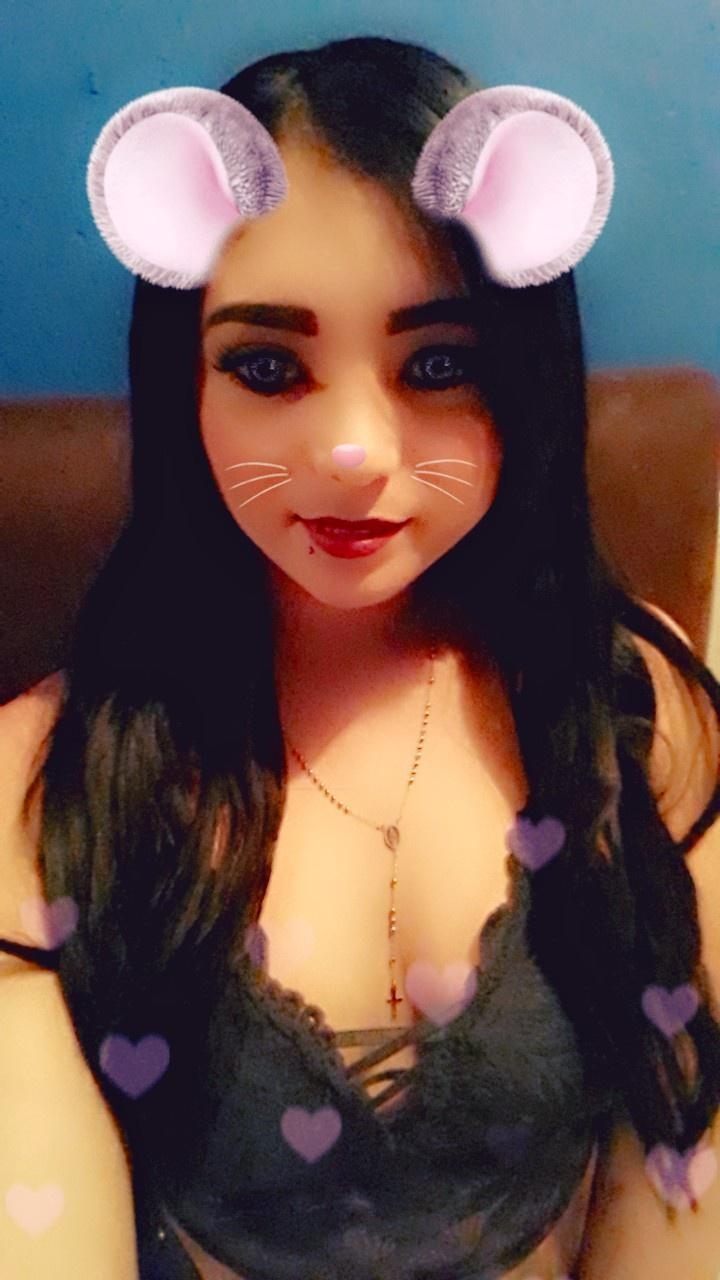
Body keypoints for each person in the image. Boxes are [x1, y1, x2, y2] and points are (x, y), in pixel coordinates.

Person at [1, 33, 719, 1280]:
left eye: (438, 365)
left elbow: (686, 1167)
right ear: (184, 383)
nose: (353, 452)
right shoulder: (38, 791)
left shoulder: (635, 717)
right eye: (268, 366)